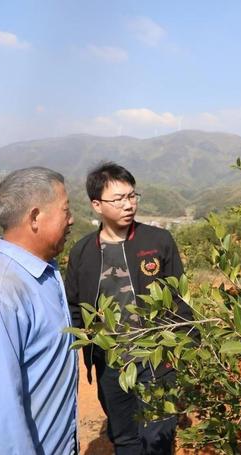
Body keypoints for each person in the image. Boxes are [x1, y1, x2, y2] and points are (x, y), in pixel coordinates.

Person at [65, 162, 193, 455]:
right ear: (97, 205)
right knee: (124, 439)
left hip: (157, 359)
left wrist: (184, 351)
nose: (128, 205)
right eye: (119, 199)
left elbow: (180, 299)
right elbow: (74, 309)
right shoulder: (83, 253)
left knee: (157, 438)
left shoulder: (158, 241)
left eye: (132, 196)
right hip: (111, 365)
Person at [0, 167, 77, 454]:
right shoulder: (0, 295)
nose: (72, 219)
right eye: (66, 210)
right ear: (35, 217)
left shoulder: (41, 274)